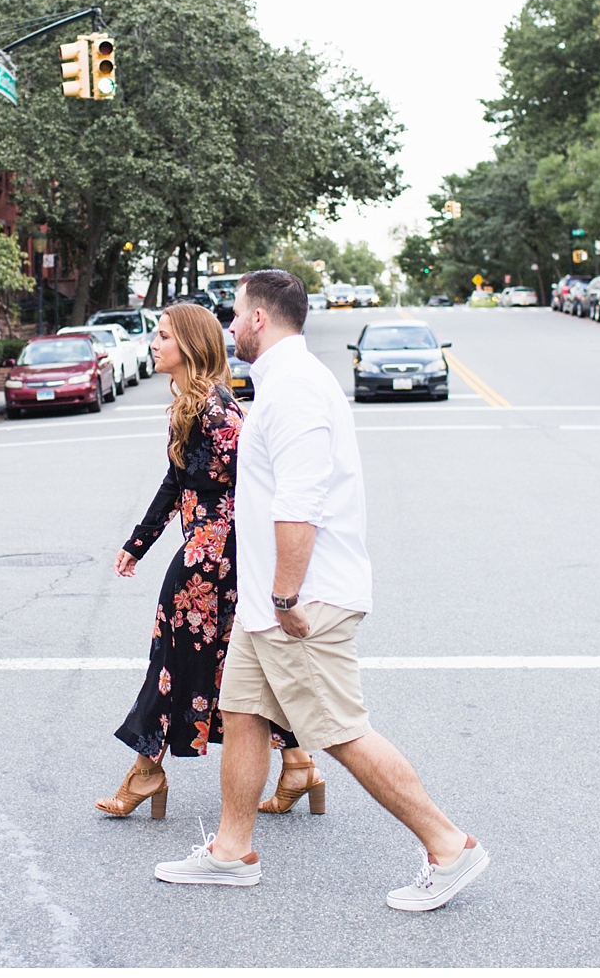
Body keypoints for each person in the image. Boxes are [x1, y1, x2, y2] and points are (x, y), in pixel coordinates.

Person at [154, 270, 489, 912]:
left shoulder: (297, 391)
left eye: (235, 312)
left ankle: (450, 846)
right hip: (268, 604)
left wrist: (284, 598)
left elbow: (299, 503)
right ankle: (231, 852)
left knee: (339, 730)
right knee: (243, 713)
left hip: (300, 603)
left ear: (258, 320)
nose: (229, 325)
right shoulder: (279, 385)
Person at [97, 303, 319, 818]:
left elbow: (258, 481)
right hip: (210, 557)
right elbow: (176, 481)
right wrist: (137, 544)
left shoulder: (218, 412)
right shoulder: (192, 405)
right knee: (238, 666)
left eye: (162, 337)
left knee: (173, 662)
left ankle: (147, 773)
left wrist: (263, 558)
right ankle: (300, 763)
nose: (153, 345)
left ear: (190, 346)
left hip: (213, 561)